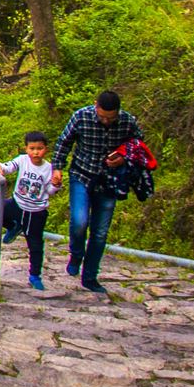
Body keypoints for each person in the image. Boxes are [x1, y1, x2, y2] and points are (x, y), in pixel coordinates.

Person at [51, 89, 147, 295]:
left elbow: (138, 144)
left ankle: (90, 277)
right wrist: (57, 168)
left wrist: (123, 158)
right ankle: (76, 254)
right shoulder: (81, 117)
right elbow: (64, 142)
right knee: (79, 221)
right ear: (96, 106)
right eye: (102, 117)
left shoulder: (127, 121)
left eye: (110, 118)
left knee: (100, 232)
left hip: (109, 181)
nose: (105, 121)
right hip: (82, 175)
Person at [0, 131, 61, 292]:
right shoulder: (22, 160)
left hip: (36, 212)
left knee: (35, 245)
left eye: (39, 148)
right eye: (32, 148)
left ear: (45, 149)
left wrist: (55, 184)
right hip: (17, 204)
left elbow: (49, 190)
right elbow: (9, 167)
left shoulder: (49, 168)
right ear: (26, 149)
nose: (35, 152)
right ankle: (13, 226)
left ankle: (35, 276)